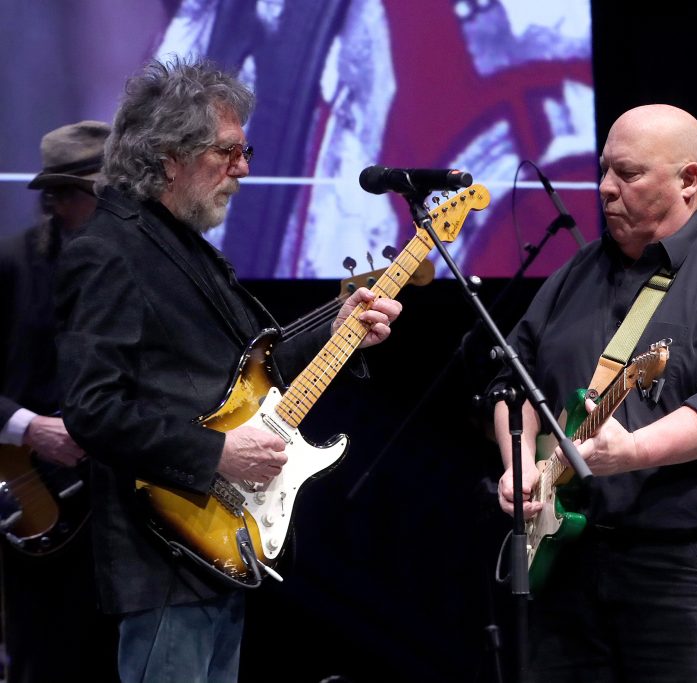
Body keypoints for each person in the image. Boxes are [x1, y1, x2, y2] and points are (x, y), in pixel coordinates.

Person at [54, 57, 401, 683]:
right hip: (164, 555)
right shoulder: (109, 251)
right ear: (169, 158)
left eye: (245, 151)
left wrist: (338, 331)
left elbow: (251, 370)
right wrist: (217, 453)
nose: (243, 168)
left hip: (213, 548)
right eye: (228, 151)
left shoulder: (180, 243)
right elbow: (92, 409)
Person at [490, 104, 697, 682]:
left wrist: (633, 451)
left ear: (688, 180)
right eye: (604, 170)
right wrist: (517, 463)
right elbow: (515, 379)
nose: (604, 188)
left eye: (628, 173)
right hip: (575, 563)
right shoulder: (580, 271)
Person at [0, 120, 118, 682]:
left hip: (117, 503)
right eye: (100, 195)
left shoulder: (135, 268)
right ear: (58, 198)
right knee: (42, 658)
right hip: (31, 492)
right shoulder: (12, 263)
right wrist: (29, 427)